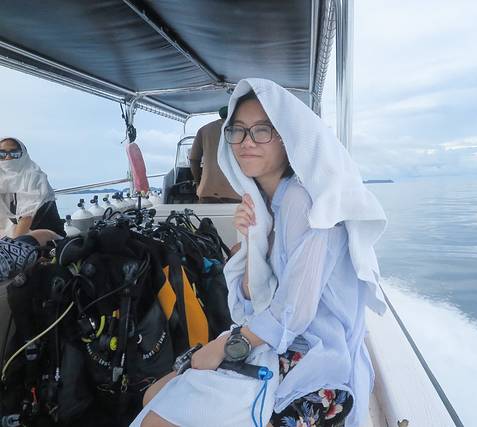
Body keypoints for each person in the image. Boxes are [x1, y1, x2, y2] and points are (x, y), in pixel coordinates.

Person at [135, 79, 387, 427]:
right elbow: (252, 298)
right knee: (153, 395)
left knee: (157, 417)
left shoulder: (305, 202)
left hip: (312, 352)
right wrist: (254, 239)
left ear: (286, 137)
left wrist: (224, 346)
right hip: (272, 340)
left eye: (262, 130)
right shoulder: (263, 203)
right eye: (238, 130)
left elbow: (294, 312)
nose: (247, 141)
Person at [0, 137, 65, 237]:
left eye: (14, 153)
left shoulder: (34, 177)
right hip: (19, 232)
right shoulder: (2, 179)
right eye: (2, 154)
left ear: (23, 155)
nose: (8, 158)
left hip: (46, 234)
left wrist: (11, 245)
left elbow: (26, 218)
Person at [189, 106, 241, 203]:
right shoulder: (242, 129)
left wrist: (197, 183)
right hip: (237, 192)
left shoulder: (204, 130)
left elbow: (193, 160)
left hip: (207, 192)